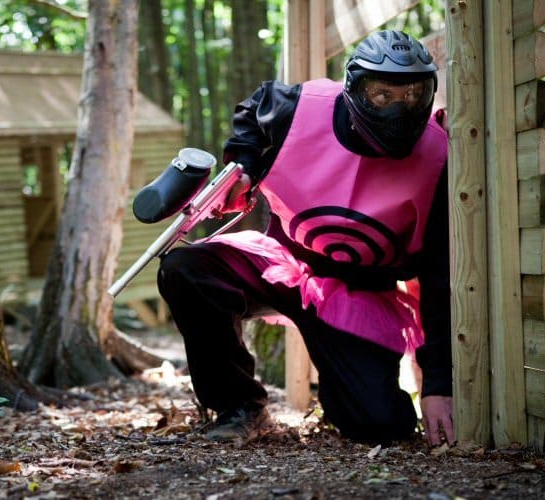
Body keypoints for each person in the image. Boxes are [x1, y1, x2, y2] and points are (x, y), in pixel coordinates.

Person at [157, 30, 453, 446]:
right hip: (281, 263)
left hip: (359, 297)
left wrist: (440, 384)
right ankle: (240, 407)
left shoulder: (440, 159)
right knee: (184, 268)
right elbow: (254, 110)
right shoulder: (299, 107)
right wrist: (242, 159)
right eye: (381, 96)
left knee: (381, 428)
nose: (396, 110)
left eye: (411, 96)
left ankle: (344, 396)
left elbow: (442, 277)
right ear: (354, 88)